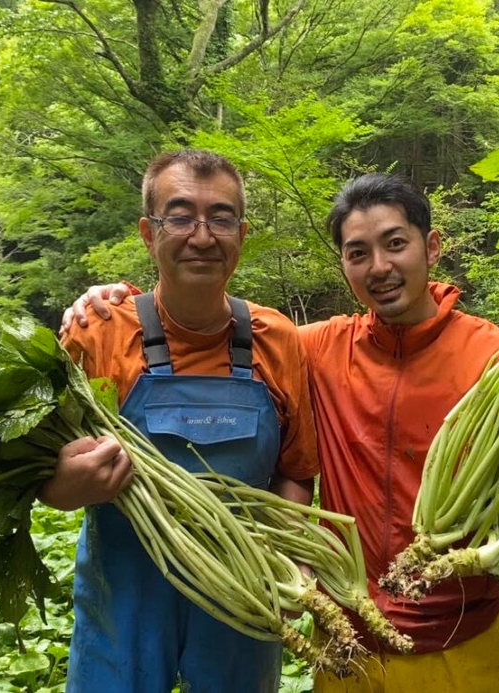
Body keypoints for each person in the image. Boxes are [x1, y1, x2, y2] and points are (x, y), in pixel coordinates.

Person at [63, 172, 499, 692]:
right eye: (358, 253)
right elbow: (205, 332)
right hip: (346, 646)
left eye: (395, 243)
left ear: (433, 247)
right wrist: (118, 303)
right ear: (345, 267)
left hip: (459, 645)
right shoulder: (314, 348)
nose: (379, 266)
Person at [39, 149, 319, 693]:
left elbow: (294, 472)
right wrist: (60, 488)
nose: (202, 235)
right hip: (123, 595)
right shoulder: (96, 333)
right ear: (148, 232)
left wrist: (289, 560)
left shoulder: (276, 337)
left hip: (243, 587)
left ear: (242, 232)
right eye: (181, 216)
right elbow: (39, 468)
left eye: (220, 218)